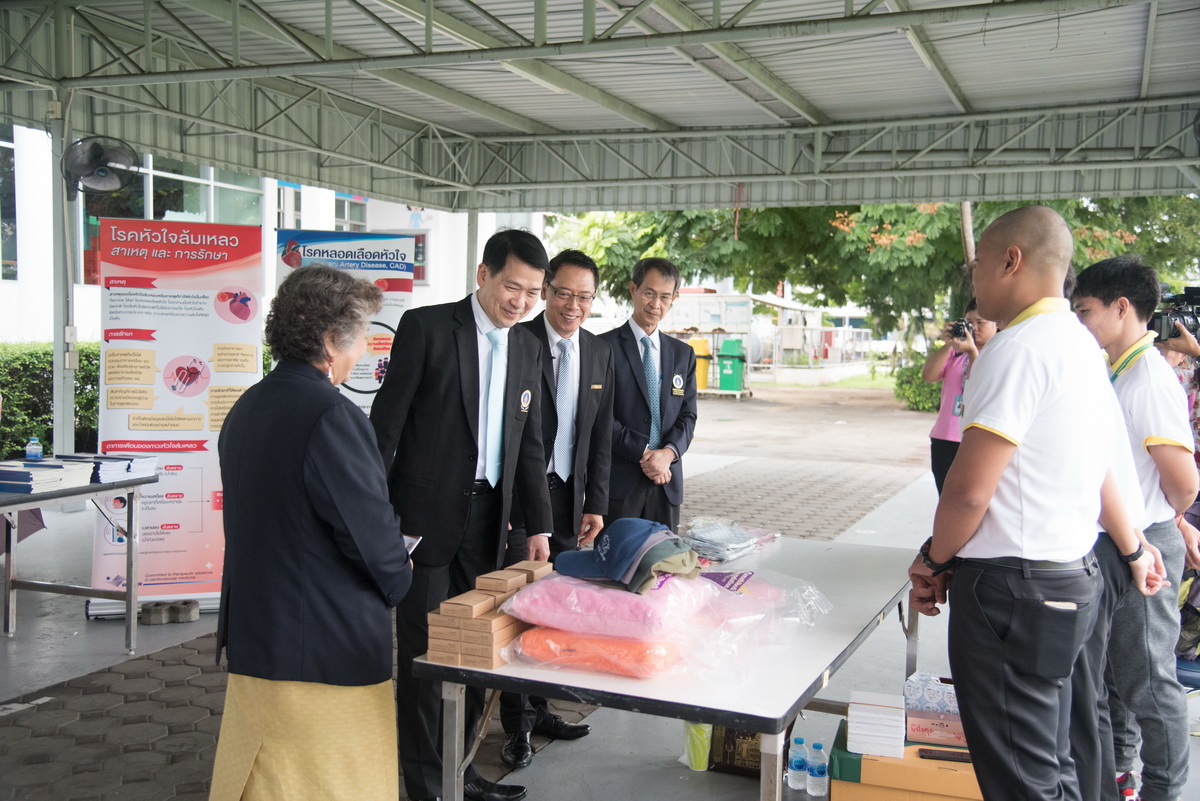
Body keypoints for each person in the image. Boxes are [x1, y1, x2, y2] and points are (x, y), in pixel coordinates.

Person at [907, 205, 1164, 801]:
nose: (973, 281)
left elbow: (970, 490)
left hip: (1010, 592)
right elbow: (1100, 469)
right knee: (1053, 763)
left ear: (1011, 261)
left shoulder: (1015, 349)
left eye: (977, 268)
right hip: (1069, 579)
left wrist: (935, 560)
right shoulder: (1082, 347)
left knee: (1021, 780)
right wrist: (1131, 546)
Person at [208, 266, 413, 801]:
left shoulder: (247, 406)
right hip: (322, 648)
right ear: (328, 340)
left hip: (259, 638)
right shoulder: (332, 414)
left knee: (261, 781)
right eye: (361, 336)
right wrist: (401, 574)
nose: (364, 352)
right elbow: (367, 533)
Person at [370, 229, 554, 801]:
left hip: (491, 523)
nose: (520, 302)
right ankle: (427, 788)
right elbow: (387, 425)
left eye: (532, 293)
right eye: (511, 286)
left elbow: (529, 445)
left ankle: (462, 770)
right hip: (420, 523)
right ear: (483, 275)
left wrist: (540, 525)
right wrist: (377, 517)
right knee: (426, 660)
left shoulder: (526, 345)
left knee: (477, 655)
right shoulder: (427, 328)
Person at [1072, 256, 1195, 801]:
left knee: (1148, 679)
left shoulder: (1149, 377)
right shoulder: (1119, 368)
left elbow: (1184, 481)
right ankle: (1118, 774)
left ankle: (1162, 791)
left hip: (1144, 540)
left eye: (1086, 311)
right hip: (1126, 538)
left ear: (1122, 308)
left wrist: (1167, 523)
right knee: (1114, 678)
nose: (1080, 322)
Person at [499, 249, 614, 769]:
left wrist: (597, 502)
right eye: (564, 293)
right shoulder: (516, 341)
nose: (573, 305)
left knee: (556, 607)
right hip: (522, 498)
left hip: (571, 499)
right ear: (545, 290)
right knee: (519, 606)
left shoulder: (596, 351)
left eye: (584, 297)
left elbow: (601, 434)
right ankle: (514, 726)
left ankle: (541, 707)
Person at [599, 257, 697, 531]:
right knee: (616, 567)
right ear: (633, 289)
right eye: (649, 293)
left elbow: (688, 416)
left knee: (665, 565)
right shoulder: (603, 348)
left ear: (674, 298)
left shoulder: (682, 354)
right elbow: (600, 414)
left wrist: (667, 453)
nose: (656, 304)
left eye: (665, 297)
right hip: (620, 483)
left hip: (665, 481)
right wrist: (644, 453)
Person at [920, 299, 998, 493]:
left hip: (976, 439)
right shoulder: (955, 352)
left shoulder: (998, 351)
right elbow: (928, 376)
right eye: (969, 322)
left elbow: (984, 381)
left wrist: (971, 350)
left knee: (970, 499)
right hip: (946, 437)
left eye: (981, 322)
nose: (975, 328)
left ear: (997, 324)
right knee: (945, 497)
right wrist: (948, 345)